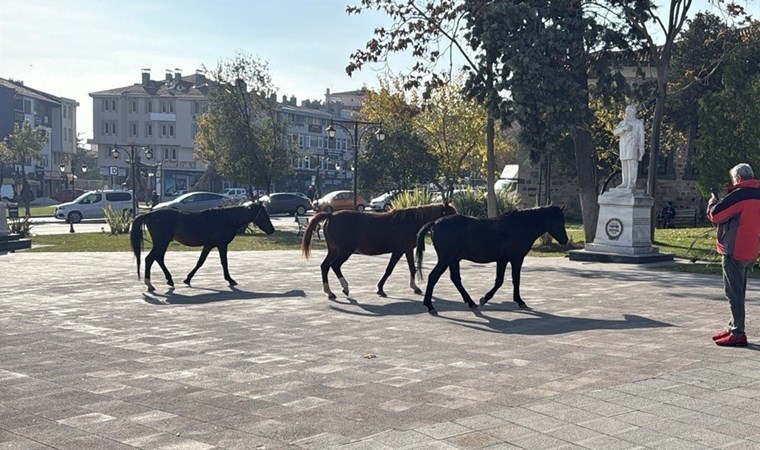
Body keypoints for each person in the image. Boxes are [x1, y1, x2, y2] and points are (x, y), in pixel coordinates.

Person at [707, 163, 760, 347]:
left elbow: (716, 215)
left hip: (734, 250)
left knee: (733, 293)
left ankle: (738, 332)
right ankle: (733, 326)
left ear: (738, 178)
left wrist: (713, 201)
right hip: (751, 249)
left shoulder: (740, 195)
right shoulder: (757, 194)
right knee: (739, 291)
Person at [612, 105, 646, 190]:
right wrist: (623, 129)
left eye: (629, 112)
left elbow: (642, 137)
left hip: (633, 145)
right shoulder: (623, 123)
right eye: (626, 112)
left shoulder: (638, 123)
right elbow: (615, 132)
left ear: (634, 113)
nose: (627, 113)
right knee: (624, 163)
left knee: (632, 164)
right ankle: (625, 182)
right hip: (623, 145)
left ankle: (631, 183)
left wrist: (641, 148)